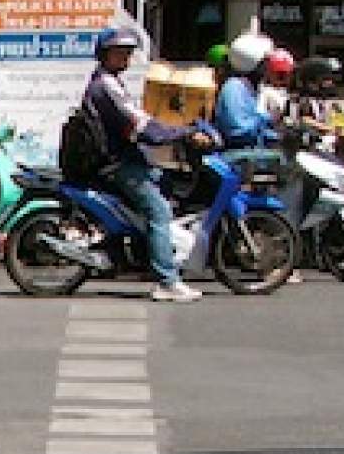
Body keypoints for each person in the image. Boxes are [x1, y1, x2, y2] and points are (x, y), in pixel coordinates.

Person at [83, 27, 206, 303]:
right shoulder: (105, 86)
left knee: (166, 185)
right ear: (105, 55)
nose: (125, 58)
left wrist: (177, 129)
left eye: (128, 53)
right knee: (158, 211)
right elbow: (141, 125)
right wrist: (182, 132)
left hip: (127, 157)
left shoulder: (111, 82)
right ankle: (167, 281)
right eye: (119, 53)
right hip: (117, 163)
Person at [211, 32, 277, 150]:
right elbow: (238, 131)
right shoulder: (234, 88)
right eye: (266, 62)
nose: (270, 67)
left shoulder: (250, 87)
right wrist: (266, 118)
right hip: (237, 154)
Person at [259, 48, 295, 125]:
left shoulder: (286, 92)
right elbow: (260, 114)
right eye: (280, 74)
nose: (283, 78)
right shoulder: (264, 91)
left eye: (286, 74)